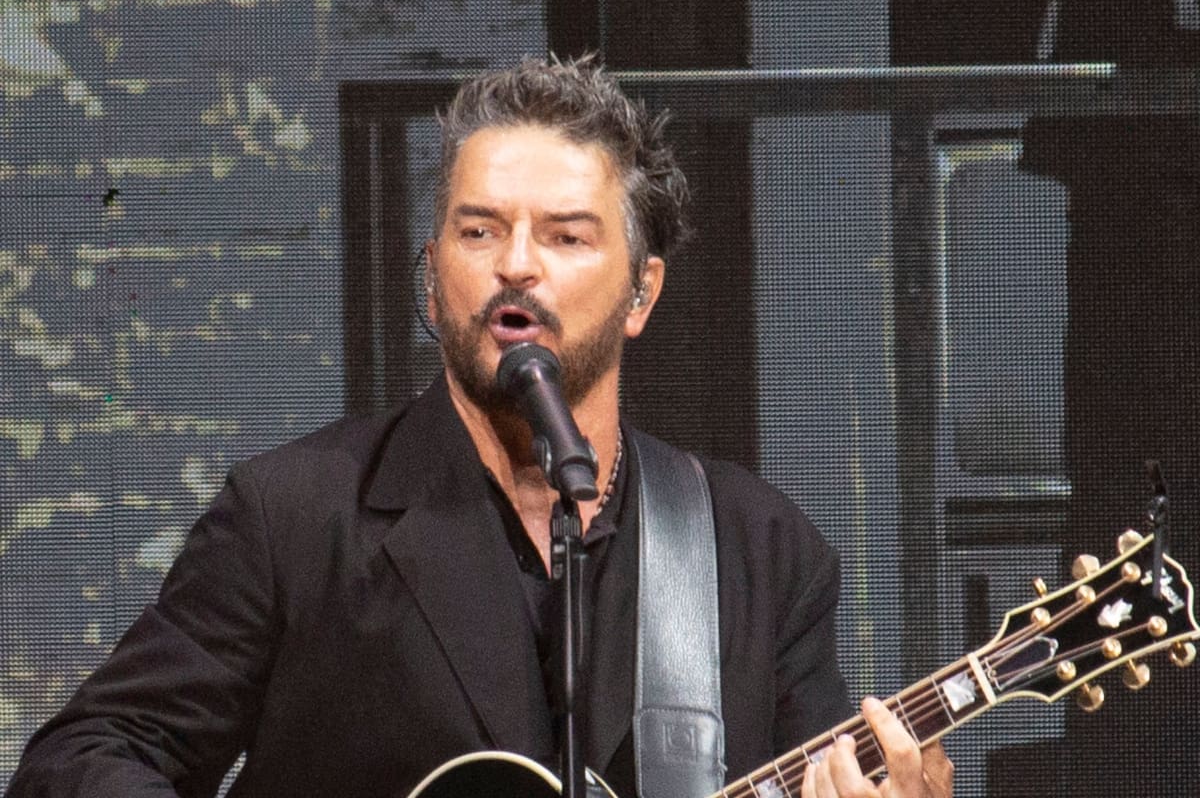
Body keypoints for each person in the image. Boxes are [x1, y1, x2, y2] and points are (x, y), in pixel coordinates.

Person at [8, 54, 953, 798]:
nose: (517, 265)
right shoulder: (295, 517)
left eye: (566, 235)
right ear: (432, 279)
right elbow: (80, 760)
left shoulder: (759, 550)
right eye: (479, 230)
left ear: (641, 293)